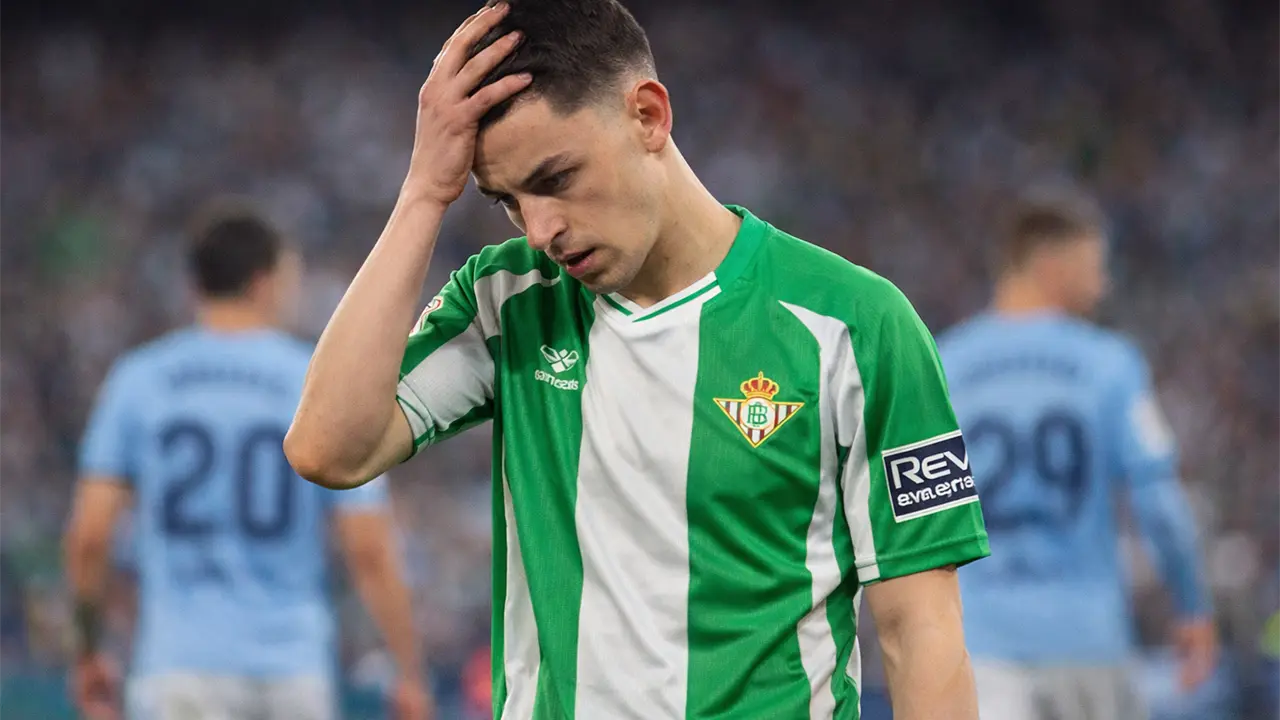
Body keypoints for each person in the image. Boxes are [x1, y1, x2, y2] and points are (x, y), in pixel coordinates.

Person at [284, 1, 990, 718]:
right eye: (507, 202)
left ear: (648, 116)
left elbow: (921, 631)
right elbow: (327, 449)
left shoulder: (854, 325)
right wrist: (424, 192)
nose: (540, 230)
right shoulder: (511, 298)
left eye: (556, 178)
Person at [63, 201, 434, 720]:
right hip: (291, 668)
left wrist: (87, 651)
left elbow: (90, 537)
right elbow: (369, 548)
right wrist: (409, 672)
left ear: (196, 284)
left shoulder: (139, 379)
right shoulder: (314, 381)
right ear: (265, 282)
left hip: (178, 668)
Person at [937, 196, 1219, 720]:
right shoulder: (1110, 363)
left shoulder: (942, 363)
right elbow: (1159, 503)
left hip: (981, 646)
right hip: (1088, 641)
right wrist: (1192, 606)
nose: (1103, 285)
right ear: (1050, 263)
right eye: (1094, 267)